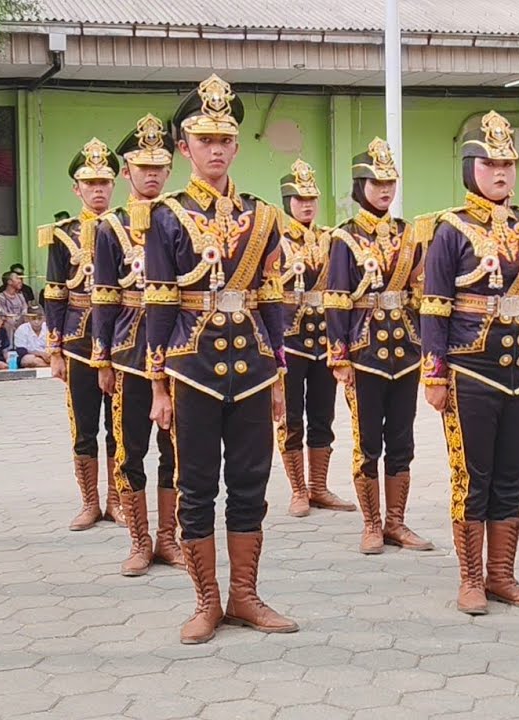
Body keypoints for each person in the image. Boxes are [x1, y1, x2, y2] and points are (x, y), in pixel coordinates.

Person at [147, 74, 297, 643]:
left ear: (236, 146)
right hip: (192, 366)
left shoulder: (262, 216)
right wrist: (158, 384)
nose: (214, 148)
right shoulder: (165, 214)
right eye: (203, 139)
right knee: (196, 483)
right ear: (184, 148)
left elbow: (272, 299)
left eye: (224, 139)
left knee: (251, 481)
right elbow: (159, 298)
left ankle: (246, 595)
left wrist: (280, 373)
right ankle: (206, 600)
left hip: (255, 366)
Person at [419, 111, 519, 615]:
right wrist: (434, 373)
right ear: (470, 168)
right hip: (469, 368)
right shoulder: (450, 229)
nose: (501, 171)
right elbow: (434, 305)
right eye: (490, 162)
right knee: (471, 476)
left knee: (514, 475)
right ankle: (471, 579)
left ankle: (503, 575)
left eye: (508, 162)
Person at [325, 139, 433, 555]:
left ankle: (398, 522)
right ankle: (371, 524)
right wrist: (340, 357)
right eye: (376, 182)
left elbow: (421, 291)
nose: (385, 189)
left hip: (405, 350)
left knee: (402, 439)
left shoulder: (410, 235)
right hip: (364, 353)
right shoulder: (344, 238)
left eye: (390, 182)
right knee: (368, 439)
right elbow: (336, 299)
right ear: (359, 186)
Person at [92, 113, 179, 577]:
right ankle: (139, 540)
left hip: (181, 352)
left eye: (158, 167)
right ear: (126, 171)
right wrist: (101, 357)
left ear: (168, 170)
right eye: (142, 167)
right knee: (130, 447)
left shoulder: (183, 219)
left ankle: (170, 537)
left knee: (177, 449)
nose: (151, 174)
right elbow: (103, 296)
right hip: (130, 351)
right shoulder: (110, 227)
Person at [41, 139, 123, 530]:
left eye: (104, 182)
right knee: (85, 425)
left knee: (121, 426)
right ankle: (90, 502)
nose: (98, 189)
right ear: (77, 188)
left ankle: (118, 500)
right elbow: (55, 292)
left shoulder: (128, 227)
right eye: (90, 183)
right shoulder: (61, 234)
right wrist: (55, 349)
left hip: (121, 343)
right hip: (78, 342)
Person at [276, 158, 356, 517]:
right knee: (291, 417)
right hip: (289, 339)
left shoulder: (331, 239)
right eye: (298, 198)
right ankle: (297, 490)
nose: (306, 204)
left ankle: (319, 486)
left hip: (324, 338)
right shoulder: (275, 240)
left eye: (311, 198)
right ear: (286, 200)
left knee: (322, 415)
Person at [0, 270, 28, 336]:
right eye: (17, 278)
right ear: (9, 282)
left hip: (21, 321)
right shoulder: (1, 297)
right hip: (9, 323)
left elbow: (25, 309)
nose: (20, 281)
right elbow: (4, 314)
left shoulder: (20, 296)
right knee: (8, 324)